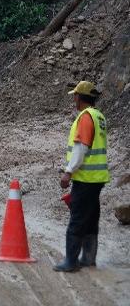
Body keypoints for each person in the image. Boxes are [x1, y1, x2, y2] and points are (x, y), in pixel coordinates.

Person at [54, 81, 110, 272]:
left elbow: (81, 148)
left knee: (77, 219)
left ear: (80, 97)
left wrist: (68, 172)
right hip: (97, 178)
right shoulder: (99, 116)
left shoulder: (86, 117)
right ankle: (88, 258)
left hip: (85, 178)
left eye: (75, 96)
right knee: (91, 218)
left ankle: (71, 261)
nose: (74, 99)